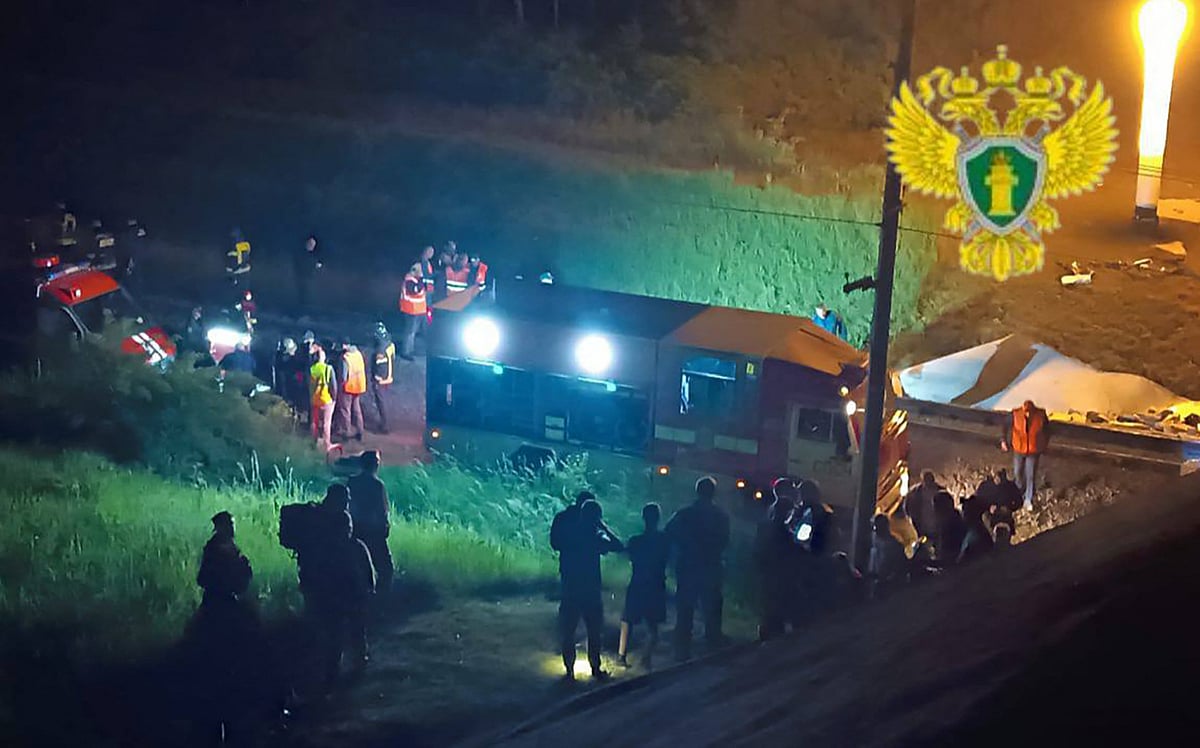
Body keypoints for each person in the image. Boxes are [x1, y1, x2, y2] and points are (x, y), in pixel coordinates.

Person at [301, 503, 376, 689]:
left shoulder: (328, 549)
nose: (348, 529)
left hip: (339, 599)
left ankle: (336, 673)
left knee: (340, 636)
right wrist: (370, 590)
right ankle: (351, 670)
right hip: (348, 598)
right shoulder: (354, 546)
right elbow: (368, 572)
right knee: (352, 634)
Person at [552, 497, 623, 680]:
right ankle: (595, 669)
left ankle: (569, 671)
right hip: (591, 589)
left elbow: (555, 544)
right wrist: (603, 526)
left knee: (568, 631)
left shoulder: (569, 532)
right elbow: (618, 546)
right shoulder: (595, 535)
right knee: (594, 631)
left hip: (570, 587)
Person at [666, 476, 730, 660]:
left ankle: (683, 650)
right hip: (711, 566)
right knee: (712, 609)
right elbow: (725, 540)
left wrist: (682, 548)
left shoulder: (685, 513)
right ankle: (712, 648)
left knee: (685, 609)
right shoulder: (721, 516)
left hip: (688, 565)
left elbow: (669, 531)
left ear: (697, 491)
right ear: (713, 493)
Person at [618, 503, 669, 669]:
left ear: (643, 518)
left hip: (638, 582)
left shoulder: (636, 541)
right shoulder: (663, 540)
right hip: (655, 585)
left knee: (628, 620)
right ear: (658, 518)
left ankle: (622, 655)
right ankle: (646, 658)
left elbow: (626, 553)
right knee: (653, 625)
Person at [754, 479, 803, 641]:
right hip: (781, 577)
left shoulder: (765, 525)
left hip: (767, 575)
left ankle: (765, 636)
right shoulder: (786, 533)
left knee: (768, 609)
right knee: (779, 609)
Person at [347, 450, 392, 598]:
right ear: (375, 465)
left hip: (354, 529)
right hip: (373, 531)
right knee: (385, 568)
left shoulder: (352, 482)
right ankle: (380, 600)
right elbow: (382, 510)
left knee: (357, 566)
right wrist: (384, 526)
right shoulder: (377, 485)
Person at [1002, 399, 1050, 511]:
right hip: (1019, 450)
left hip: (1033, 452)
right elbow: (1005, 425)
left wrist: (1043, 444)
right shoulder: (1015, 414)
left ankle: (1028, 499)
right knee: (1017, 472)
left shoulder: (1040, 415)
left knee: (1030, 475)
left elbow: (1047, 430)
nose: (1028, 414)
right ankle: (1018, 492)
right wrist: (1003, 440)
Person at [196, 511, 252, 605]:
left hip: (227, 599)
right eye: (229, 524)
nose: (232, 528)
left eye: (232, 524)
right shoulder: (212, 550)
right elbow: (202, 578)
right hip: (214, 601)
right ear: (220, 527)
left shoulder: (233, 550)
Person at [334, 339, 367, 442]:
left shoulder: (345, 358)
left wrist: (339, 386)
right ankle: (360, 431)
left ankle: (346, 432)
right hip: (359, 386)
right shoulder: (358, 354)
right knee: (357, 410)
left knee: (345, 410)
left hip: (348, 387)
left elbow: (343, 376)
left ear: (345, 345)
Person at [867, 514, 906, 599]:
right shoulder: (873, 541)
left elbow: (900, 567)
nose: (877, 529)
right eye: (876, 526)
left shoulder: (894, 545)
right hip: (875, 582)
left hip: (889, 586)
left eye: (880, 526)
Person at [367, 322, 395, 433]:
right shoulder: (390, 344)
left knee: (381, 402)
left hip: (381, 380)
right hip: (388, 377)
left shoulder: (380, 349)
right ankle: (384, 422)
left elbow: (380, 365)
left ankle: (385, 426)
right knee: (383, 401)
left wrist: (377, 377)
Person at [309, 346, 337, 450]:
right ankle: (327, 444)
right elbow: (333, 385)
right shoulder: (328, 369)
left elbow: (310, 385)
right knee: (326, 423)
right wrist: (334, 398)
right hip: (326, 399)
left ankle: (314, 441)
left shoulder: (312, 369)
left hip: (315, 399)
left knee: (314, 422)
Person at [903, 470, 943, 540]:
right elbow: (907, 506)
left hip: (937, 526)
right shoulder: (915, 493)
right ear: (923, 480)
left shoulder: (940, 491)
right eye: (927, 480)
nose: (929, 482)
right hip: (921, 525)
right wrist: (912, 517)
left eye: (930, 480)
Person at [398, 262, 426, 361]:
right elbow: (415, 290)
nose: (422, 272)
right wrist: (422, 281)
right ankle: (406, 352)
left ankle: (411, 350)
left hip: (418, 310)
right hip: (411, 310)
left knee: (413, 332)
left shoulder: (416, 280)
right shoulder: (409, 280)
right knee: (410, 332)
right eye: (420, 270)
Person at [931, 491, 965, 567]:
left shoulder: (953, 526)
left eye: (936, 508)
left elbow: (949, 557)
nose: (934, 512)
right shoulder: (945, 524)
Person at [958, 496, 995, 564]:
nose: (962, 514)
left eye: (964, 511)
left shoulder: (974, 537)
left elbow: (962, 563)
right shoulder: (979, 532)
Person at [295, 234, 323, 310]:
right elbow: (300, 264)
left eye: (313, 244)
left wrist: (317, 266)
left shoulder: (315, 255)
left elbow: (317, 265)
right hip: (302, 276)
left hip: (310, 277)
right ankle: (301, 306)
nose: (311, 246)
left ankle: (307, 306)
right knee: (302, 292)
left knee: (308, 293)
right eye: (310, 244)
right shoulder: (301, 253)